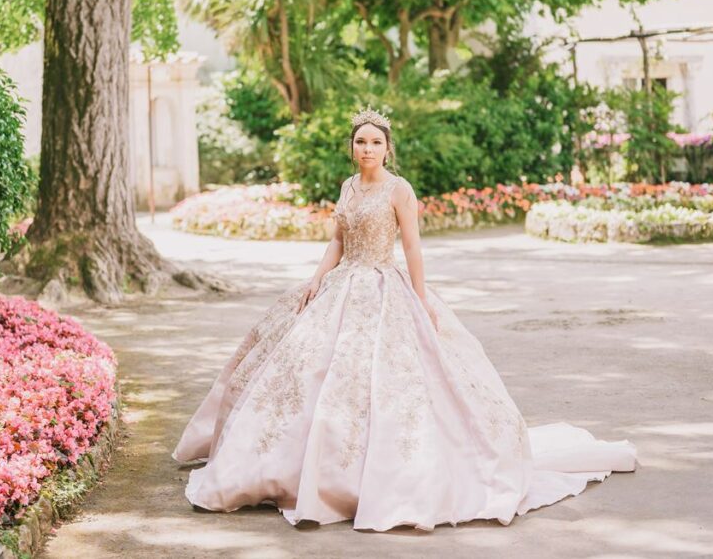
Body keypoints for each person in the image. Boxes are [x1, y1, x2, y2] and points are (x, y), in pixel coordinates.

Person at [172, 108, 638, 532]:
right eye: (361, 142)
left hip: (384, 284)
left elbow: (412, 246)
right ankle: (295, 468)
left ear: (387, 148)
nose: (367, 149)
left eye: (375, 142)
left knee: (395, 381)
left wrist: (420, 300)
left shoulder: (400, 189)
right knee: (308, 371)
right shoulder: (348, 187)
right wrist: (316, 280)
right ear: (352, 148)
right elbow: (337, 241)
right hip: (344, 283)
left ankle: (380, 476)